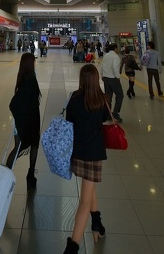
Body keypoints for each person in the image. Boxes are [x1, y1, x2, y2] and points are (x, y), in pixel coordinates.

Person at [64, 64, 109, 254]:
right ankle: (73, 246)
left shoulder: (75, 98)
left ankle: (97, 222)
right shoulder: (102, 99)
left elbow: (69, 120)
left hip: (78, 151)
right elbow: (106, 119)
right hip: (94, 153)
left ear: (82, 79)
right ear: (96, 79)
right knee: (85, 198)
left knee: (89, 188)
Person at [6, 52, 41, 190]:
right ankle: (29, 174)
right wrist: (23, 118)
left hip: (26, 119)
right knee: (29, 145)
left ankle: (9, 174)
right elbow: (14, 103)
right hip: (27, 120)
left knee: (24, 146)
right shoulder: (30, 79)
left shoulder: (24, 76)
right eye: (34, 61)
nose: (35, 63)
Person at [101, 43, 123, 122]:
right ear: (115, 48)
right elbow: (115, 67)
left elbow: (102, 66)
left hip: (105, 78)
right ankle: (115, 113)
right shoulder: (115, 57)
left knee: (108, 97)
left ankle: (108, 114)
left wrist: (102, 76)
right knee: (120, 95)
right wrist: (118, 77)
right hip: (113, 78)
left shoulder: (106, 56)